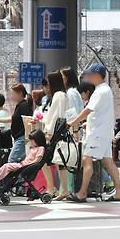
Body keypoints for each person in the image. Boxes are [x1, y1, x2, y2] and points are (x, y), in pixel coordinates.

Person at [67, 63, 120, 202]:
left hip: (98, 132)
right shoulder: (104, 89)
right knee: (108, 162)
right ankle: (119, 192)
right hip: (102, 131)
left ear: (97, 75)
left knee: (87, 159)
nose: (87, 77)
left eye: (89, 74)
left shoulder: (101, 91)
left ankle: (82, 193)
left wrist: (72, 122)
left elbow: (88, 110)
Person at [37, 71, 70, 200]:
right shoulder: (63, 95)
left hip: (54, 133)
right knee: (60, 163)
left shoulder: (58, 96)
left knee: (45, 160)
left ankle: (52, 189)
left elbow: (55, 116)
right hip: (60, 132)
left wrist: (48, 131)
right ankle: (63, 190)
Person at [0, 129, 45, 194]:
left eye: (32, 141)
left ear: (37, 140)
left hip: (24, 166)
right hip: (22, 164)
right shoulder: (33, 148)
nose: (31, 142)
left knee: (6, 166)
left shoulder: (40, 148)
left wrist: (27, 165)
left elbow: (37, 160)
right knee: (7, 168)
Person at [0, 84, 34, 163]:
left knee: (12, 160)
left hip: (22, 137)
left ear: (20, 93)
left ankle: (16, 175)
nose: (11, 96)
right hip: (19, 138)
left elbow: (27, 120)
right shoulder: (20, 105)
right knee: (19, 161)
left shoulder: (24, 106)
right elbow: (13, 119)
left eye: (13, 94)